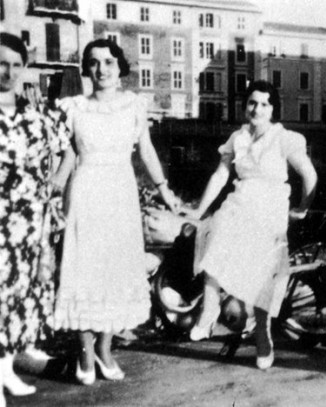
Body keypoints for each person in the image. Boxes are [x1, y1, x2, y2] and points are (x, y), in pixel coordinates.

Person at [51, 39, 180, 385]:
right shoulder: (74, 107)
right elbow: (68, 157)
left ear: (120, 67)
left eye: (109, 62)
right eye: (94, 63)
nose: (102, 69)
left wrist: (165, 191)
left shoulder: (134, 105)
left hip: (120, 196)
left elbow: (147, 151)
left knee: (114, 272)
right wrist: (50, 192)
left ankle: (104, 349)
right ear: (86, 69)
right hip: (85, 195)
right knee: (83, 271)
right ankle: (84, 353)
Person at [183, 80, 318, 370]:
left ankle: (262, 336)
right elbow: (220, 176)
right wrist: (198, 210)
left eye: (265, 104)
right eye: (252, 103)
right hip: (241, 199)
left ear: (273, 110)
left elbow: (309, 175)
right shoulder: (238, 137)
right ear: (245, 107)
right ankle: (209, 309)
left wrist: (303, 208)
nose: (257, 109)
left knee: (262, 272)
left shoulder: (285, 138)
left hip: (270, 205)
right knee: (214, 227)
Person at [0, 32, 69, 402]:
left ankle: (6, 368)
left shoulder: (36, 115)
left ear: (24, 68)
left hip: (30, 223)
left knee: (22, 295)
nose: (7, 71)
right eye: (1, 63)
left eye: (15, 64)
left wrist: (56, 183)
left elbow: (68, 152)